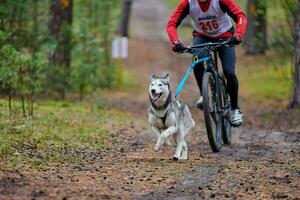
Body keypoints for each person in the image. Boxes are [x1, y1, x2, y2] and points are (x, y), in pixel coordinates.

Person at [166, 0, 247, 126]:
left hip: (225, 36)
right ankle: (203, 95)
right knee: (197, 61)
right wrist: (175, 42)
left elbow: (240, 16)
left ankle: (235, 109)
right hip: (202, 37)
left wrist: (238, 35)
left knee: (229, 72)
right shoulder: (188, 3)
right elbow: (171, 23)